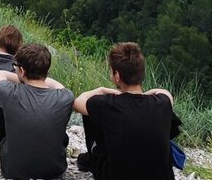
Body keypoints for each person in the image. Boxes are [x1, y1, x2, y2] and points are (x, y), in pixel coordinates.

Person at [73, 42, 179, 180]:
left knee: (92, 111)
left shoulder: (107, 105)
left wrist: (102, 90)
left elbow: (77, 103)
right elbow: (165, 93)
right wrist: (145, 95)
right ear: (142, 73)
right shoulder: (162, 103)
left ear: (117, 75)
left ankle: (93, 155)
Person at [0, 43, 74, 180]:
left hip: (13, 172)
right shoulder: (66, 97)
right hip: (54, 172)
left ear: (22, 71)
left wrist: (20, 77)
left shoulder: (8, 92)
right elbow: (58, 86)